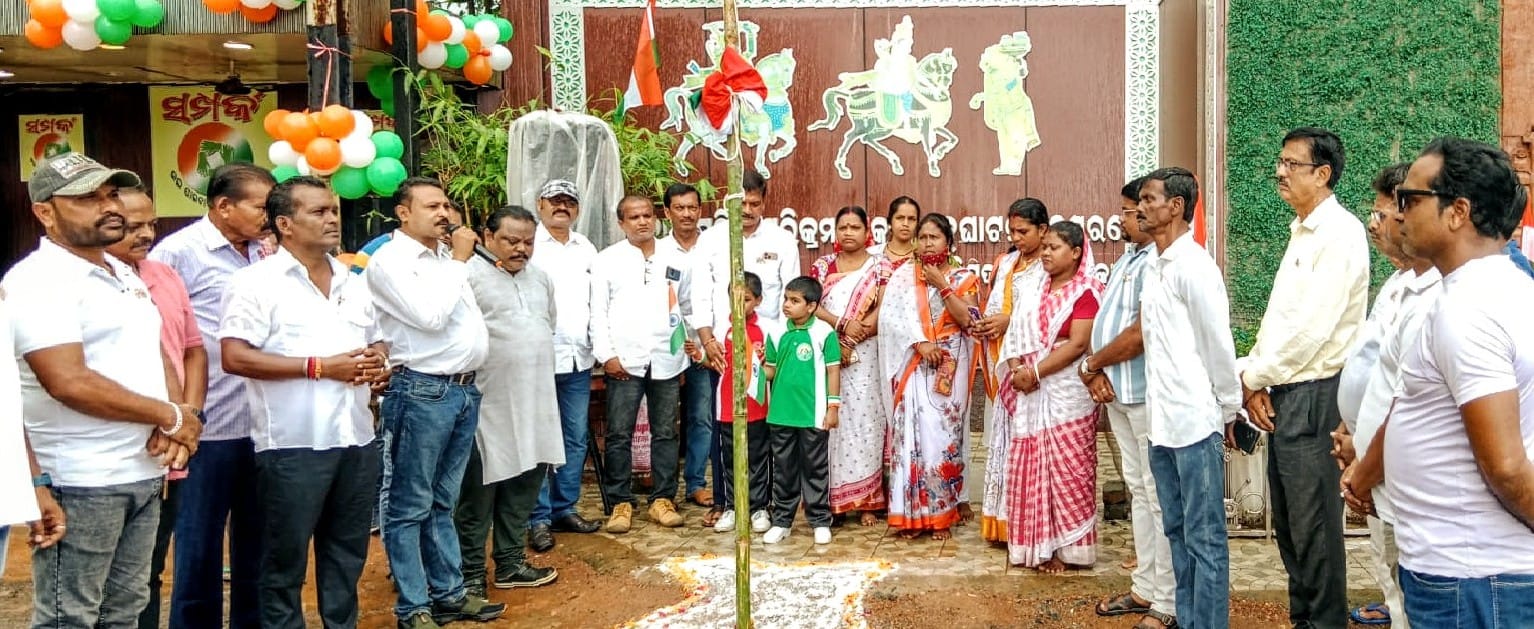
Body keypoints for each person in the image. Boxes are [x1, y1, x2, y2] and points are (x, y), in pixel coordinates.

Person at [8, 153, 200, 627]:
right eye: (87, 198)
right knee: (70, 617)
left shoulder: (121, 272)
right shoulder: (39, 281)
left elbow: (154, 349)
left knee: (124, 611)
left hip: (142, 469)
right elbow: (68, 382)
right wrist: (170, 416)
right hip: (80, 480)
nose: (109, 206)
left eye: (111, 194)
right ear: (45, 212)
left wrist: (175, 416)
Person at [1348, 137, 1534, 625]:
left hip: (1475, 578)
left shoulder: (1470, 309)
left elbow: (1507, 469)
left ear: (1458, 212)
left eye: (1410, 199)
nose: (1397, 214)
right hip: (1467, 572)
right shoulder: (1486, 290)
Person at [218, 176, 386, 628]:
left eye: (333, 210)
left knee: (347, 557)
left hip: (356, 439)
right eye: (318, 212)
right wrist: (319, 368)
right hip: (292, 447)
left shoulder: (352, 280)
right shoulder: (255, 283)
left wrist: (379, 363)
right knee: (283, 564)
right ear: (284, 224)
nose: (332, 219)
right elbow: (235, 356)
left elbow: (377, 341)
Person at [1241, 127, 1366, 629]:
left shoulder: (1339, 234)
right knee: (1292, 524)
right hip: (1288, 390)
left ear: (1322, 173)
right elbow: (1280, 322)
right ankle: (1304, 620)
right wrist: (1256, 379)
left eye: (1292, 164)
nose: (1280, 172)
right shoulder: (1303, 230)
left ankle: (1324, 622)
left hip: (1316, 394)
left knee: (1313, 526)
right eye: (1280, 162)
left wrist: (1254, 376)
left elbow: (1312, 331)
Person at [367, 177, 502, 629]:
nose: (444, 213)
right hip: (421, 391)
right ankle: (413, 606)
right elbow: (430, 317)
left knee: (443, 501)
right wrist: (460, 261)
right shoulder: (391, 262)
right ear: (403, 213)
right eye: (431, 206)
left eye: (446, 205)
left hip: (462, 391)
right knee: (409, 505)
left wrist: (454, 260)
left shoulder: (444, 258)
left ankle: (449, 595)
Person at [150, 162, 274, 629]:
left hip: (262, 425)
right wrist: (180, 416)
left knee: (257, 547)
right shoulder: (178, 253)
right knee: (198, 547)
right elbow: (163, 339)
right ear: (224, 206)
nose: (270, 216)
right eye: (261, 207)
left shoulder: (266, 253)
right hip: (207, 426)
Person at [1331, 163, 1435, 629]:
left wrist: (1364, 458)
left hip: (1396, 472)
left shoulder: (1436, 292)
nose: (1374, 225)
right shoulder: (1398, 284)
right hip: (1372, 463)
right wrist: (1348, 429)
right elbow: (1372, 370)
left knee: (1414, 591)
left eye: (1380, 214)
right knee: (1391, 580)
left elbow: (1409, 397)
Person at [1137, 167, 1241, 628]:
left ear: (1176, 207)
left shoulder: (1195, 268)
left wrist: (1230, 408)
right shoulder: (1154, 265)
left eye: (1149, 199)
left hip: (1195, 424)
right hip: (1161, 425)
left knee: (1205, 539)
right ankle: (1188, 618)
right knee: (1177, 532)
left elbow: (1218, 344)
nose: (1141, 208)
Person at [102, 188, 208, 629]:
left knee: (146, 572)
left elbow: (193, 350)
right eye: (132, 226)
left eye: (151, 224)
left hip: (170, 449)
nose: (145, 234)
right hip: (112, 453)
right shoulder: (89, 283)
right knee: (101, 582)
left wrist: (187, 417)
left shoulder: (164, 275)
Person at [456, 205, 563, 596]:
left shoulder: (541, 279)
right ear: (488, 237)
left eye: (528, 242)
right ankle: (469, 574)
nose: (521, 249)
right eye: (511, 241)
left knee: (523, 487)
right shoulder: (467, 277)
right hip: (486, 404)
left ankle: (510, 563)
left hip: (535, 400)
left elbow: (548, 324)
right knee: (477, 495)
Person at [1083, 178, 1175, 627]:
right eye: (1124, 209)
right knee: (1139, 489)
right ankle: (1145, 586)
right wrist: (1099, 371)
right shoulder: (1129, 258)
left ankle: (1167, 601)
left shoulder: (1159, 261)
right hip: (1117, 390)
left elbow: (1139, 333)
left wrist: (1093, 364)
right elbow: (1109, 322)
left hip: (1144, 393)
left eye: (1133, 208)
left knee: (1157, 496)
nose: (1126, 216)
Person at [687, 170, 800, 527]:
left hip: (766, 355)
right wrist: (708, 341)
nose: (748, 210)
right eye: (741, 204)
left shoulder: (782, 240)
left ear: (764, 202)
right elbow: (699, 295)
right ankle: (727, 504)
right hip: (721, 352)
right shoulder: (710, 240)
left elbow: (790, 296)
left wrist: (776, 351)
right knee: (723, 430)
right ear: (728, 203)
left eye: (754, 203)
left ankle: (762, 505)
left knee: (763, 433)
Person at [998, 221, 1103, 572]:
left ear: (1076, 253)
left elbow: (1078, 343)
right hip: (1029, 390)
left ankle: (1068, 549)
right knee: (1031, 466)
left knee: (1069, 470)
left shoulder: (1086, 291)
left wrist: (1035, 373)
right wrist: (1017, 369)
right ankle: (1037, 546)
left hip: (1067, 393)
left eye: (1053, 247)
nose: (1045, 253)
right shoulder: (1032, 289)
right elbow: (1015, 336)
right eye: (1044, 247)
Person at [877, 213, 980, 541]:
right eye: (922, 238)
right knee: (910, 438)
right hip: (913, 363)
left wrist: (942, 285)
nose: (926, 243)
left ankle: (941, 514)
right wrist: (919, 343)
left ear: (948, 242)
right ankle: (910, 517)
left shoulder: (965, 278)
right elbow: (890, 322)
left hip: (951, 365)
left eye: (934, 237)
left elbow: (970, 320)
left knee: (943, 438)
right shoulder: (904, 277)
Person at [590, 196, 689, 532]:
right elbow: (597, 312)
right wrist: (607, 355)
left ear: (656, 218)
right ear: (621, 223)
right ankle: (620, 502)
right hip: (625, 359)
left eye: (647, 215)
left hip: (666, 358)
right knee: (619, 433)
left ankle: (663, 499)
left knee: (666, 432)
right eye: (634, 217)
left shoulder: (675, 257)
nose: (642, 222)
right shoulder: (607, 260)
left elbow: (685, 305)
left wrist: (684, 351)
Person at [527, 179, 604, 551]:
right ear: (540, 205)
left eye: (569, 202)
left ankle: (564, 508)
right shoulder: (528, 245)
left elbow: (595, 302)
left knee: (574, 437)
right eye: (555, 201)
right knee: (540, 438)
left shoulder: (585, 247)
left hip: (578, 358)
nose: (562, 207)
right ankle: (538, 517)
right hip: (538, 359)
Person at [810, 206, 891, 527]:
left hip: (867, 354)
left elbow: (884, 307)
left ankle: (868, 499)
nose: (848, 233)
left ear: (867, 232)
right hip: (829, 349)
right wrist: (841, 328)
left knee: (868, 422)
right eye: (842, 227)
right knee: (834, 422)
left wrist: (854, 338)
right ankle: (833, 499)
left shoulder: (880, 266)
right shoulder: (822, 266)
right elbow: (811, 305)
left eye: (855, 227)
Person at [977, 198, 1049, 543]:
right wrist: (988, 323)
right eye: (1012, 232)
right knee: (1005, 441)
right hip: (1004, 361)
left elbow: (1046, 311)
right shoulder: (1008, 262)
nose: (1016, 238)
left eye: (1023, 231)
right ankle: (1003, 521)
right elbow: (995, 304)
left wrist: (1009, 321)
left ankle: (1028, 523)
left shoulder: (1049, 265)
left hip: (1032, 366)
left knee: (1030, 443)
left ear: (1043, 230)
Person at [762, 276, 842, 545]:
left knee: (815, 467)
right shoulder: (776, 332)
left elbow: (833, 371)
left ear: (811, 306)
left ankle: (820, 520)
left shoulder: (824, 333)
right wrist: (752, 373)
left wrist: (833, 407)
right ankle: (782, 521)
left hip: (813, 414)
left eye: (795, 301)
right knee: (783, 469)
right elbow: (771, 369)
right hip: (781, 413)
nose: (787, 305)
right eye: (786, 299)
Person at [659, 183, 715, 510]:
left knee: (702, 416)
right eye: (679, 208)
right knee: (666, 421)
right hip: (668, 345)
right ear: (667, 212)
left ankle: (696, 483)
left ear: (700, 210)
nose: (687, 214)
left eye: (692, 207)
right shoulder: (659, 251)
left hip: (704, 344)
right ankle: (663, 490)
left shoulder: (712, 246)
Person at [711, 272, 777, 534]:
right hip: (727, 406)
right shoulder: (720, 328)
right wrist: (699, 354)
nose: (740, 304)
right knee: (729, 458)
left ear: (758, 300)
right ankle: (732, 506)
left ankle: (759, 507)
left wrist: (766, 358)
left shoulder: (768, 328)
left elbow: (774, 364)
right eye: (734, 298)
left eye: (746, 299)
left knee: (759, 457)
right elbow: (712, 361)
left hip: (758, 405)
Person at [870, 196, 920, 268]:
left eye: (911, 219)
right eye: (900, 218)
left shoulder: (921, 258)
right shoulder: (871, 255)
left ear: (917, 223)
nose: (905, 224)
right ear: (890, 221)